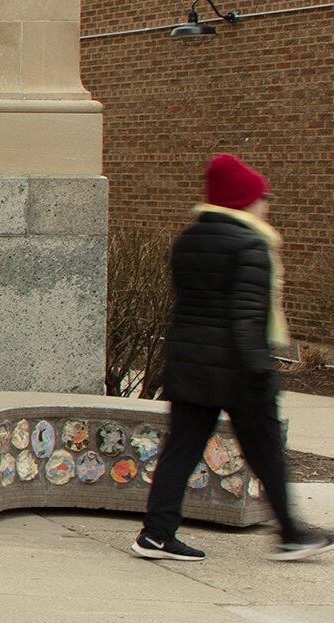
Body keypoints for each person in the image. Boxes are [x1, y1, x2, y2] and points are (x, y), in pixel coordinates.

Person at [132, 153, 332, 563]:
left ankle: (156, 533)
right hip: (238, 372)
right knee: (267, 453)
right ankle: (292, 533)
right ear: (244, 201)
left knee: (181, 450)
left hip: (189, 362)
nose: (267, 204)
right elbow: (245, 318)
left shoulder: (189, 239)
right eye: (263, 196)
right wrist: (261, 371)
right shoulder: (251, 245)